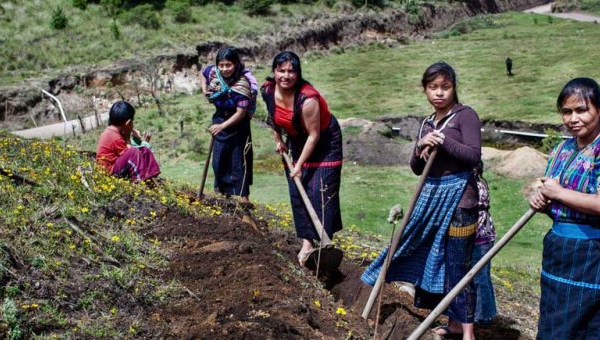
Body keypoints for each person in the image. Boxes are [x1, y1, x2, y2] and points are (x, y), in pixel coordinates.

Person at [361, 62, 481, 340]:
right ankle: (452, 324)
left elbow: (473, 156)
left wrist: (443, 143)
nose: (439, 93)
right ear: (425, 90)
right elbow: (417, 167)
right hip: (430, 198)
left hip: (461, 201)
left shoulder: (465, 116)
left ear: (454, 88)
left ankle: (467, 333)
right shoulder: (428, 123)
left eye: (445, 87)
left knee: (457, 264)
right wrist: (421, 146)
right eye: (433, 88)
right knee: (427, 254)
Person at [529, 77, 600, 340]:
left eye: (581, 110)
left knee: (592, 329)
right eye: (567, 112)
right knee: (554, 325)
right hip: (560, 251)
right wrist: (542, 200)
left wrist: (557, 192)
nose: (573, 118)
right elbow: (555, 196)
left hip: (594, 254)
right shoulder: (562, 150)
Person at [260, 51, 343, 266]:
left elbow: (314, 135)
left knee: (320, 189)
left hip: (324, 142)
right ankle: (307, 242)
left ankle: (325, 241)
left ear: (298, 74)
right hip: (297, 139)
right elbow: (272, 117)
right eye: (281, 71)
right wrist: (279, 139)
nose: (286, 76)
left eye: (291, 71)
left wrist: (299, 165)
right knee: (298, 189)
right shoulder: (267, 90)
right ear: (274, 71)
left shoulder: (308, 99)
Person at [200, 47, 257, 203]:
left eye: (228, 65)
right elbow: (202, 74)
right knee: (219, 161)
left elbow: (241, 113)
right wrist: (205, 91)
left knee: (238, 162)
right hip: (219, 118)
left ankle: (243, 199)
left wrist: (222, 126)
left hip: (238, 126)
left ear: (236, 64)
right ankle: (223, 195)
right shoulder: (213, 73)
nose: (224, 69)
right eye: (221, 65)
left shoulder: (242, 85)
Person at [96, 100, 161, 182]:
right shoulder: (115, 137)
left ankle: (152, 177)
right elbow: (130, 155)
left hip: (115, 165)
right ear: (128, 123)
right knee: (134, 152)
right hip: (109, 171)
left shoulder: (113, 131)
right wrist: (127, 137)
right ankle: (140, 181)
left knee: (144, 150)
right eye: (132, 122)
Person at [472, 161, 497, 325]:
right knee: (478, 276)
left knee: (480, 277)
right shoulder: (476, 183)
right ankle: (480, 313)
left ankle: (484, 316)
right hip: (478, 236)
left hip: (481, 236)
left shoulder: (478, 186)